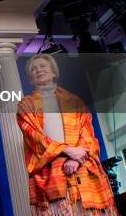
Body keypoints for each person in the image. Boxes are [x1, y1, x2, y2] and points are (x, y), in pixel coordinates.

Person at [17, 54, 117, 216]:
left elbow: (88, 136)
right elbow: (36, 138)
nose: (39, 70)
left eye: (42, 66)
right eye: (34, 69)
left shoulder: (74, 101)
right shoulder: (25, 105)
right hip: (50, 176)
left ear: (54, 72)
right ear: (30, 78)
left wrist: (75, 159)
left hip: (82, 169)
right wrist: (68, 150)